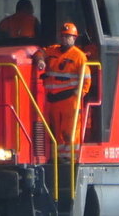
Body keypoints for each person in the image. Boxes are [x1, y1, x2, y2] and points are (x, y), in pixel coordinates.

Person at [33, 22, 90, 156]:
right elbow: (39, 52)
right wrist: (40, 60)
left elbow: (86, 79)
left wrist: (78, 94)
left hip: (70, 101)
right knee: (55, 130)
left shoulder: (79, 56)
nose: (65, 39)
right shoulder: (52, 50)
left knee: (70, 132)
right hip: (53, 100)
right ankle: (58, 157)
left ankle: (70, 159)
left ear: (74, 38)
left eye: (68, 36)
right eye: (63, 36)